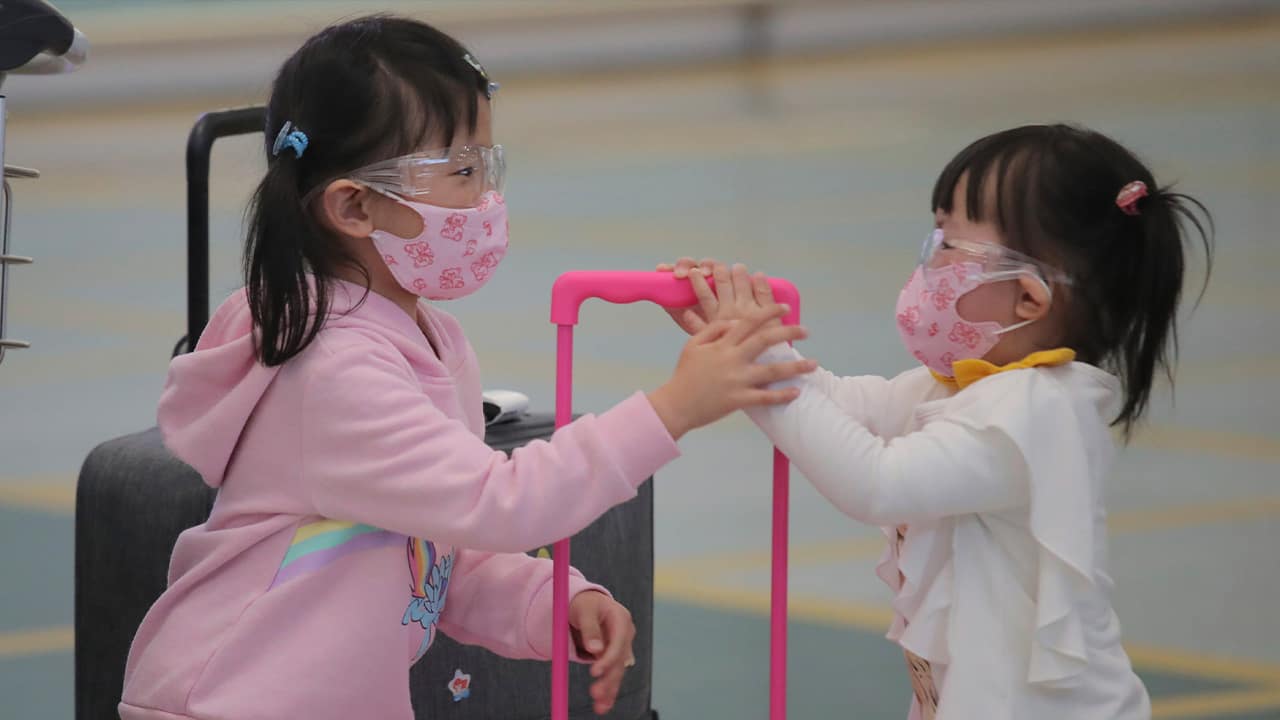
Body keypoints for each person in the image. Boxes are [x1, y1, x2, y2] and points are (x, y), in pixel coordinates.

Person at [119, 16, 814, 720]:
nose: (485, 198)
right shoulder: (332, 369)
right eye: (459, 172)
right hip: (229, 701)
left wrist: (553, 601)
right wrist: (675, 407)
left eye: (488, 165)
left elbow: (435, 545)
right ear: (354, 205)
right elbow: (497, 503)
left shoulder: (431, 338)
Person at [662, 124, 1213, 719]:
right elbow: (846, 404)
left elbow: (878, 482)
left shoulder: (1037, 411)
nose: (929, 262)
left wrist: (759, 358)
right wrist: (743, 343)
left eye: (950, 246)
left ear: (1029, 298)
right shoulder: (974, 384)